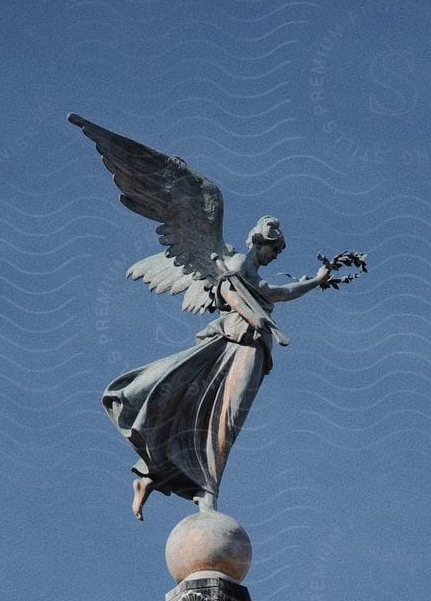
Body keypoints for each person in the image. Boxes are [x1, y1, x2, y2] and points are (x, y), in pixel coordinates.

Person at [102, 217, 334, 519]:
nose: (276, 256)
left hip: (252, 347)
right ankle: (206, 491)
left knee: (222, 419)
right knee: (225, 418)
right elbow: (226, 291)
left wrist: (316, 281)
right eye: (274, 250)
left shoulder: (254, 276)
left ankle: (153, 478)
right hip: (235, 342)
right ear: (260, 243)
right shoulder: (235, 263)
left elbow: (280, 293)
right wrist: (251, 316)